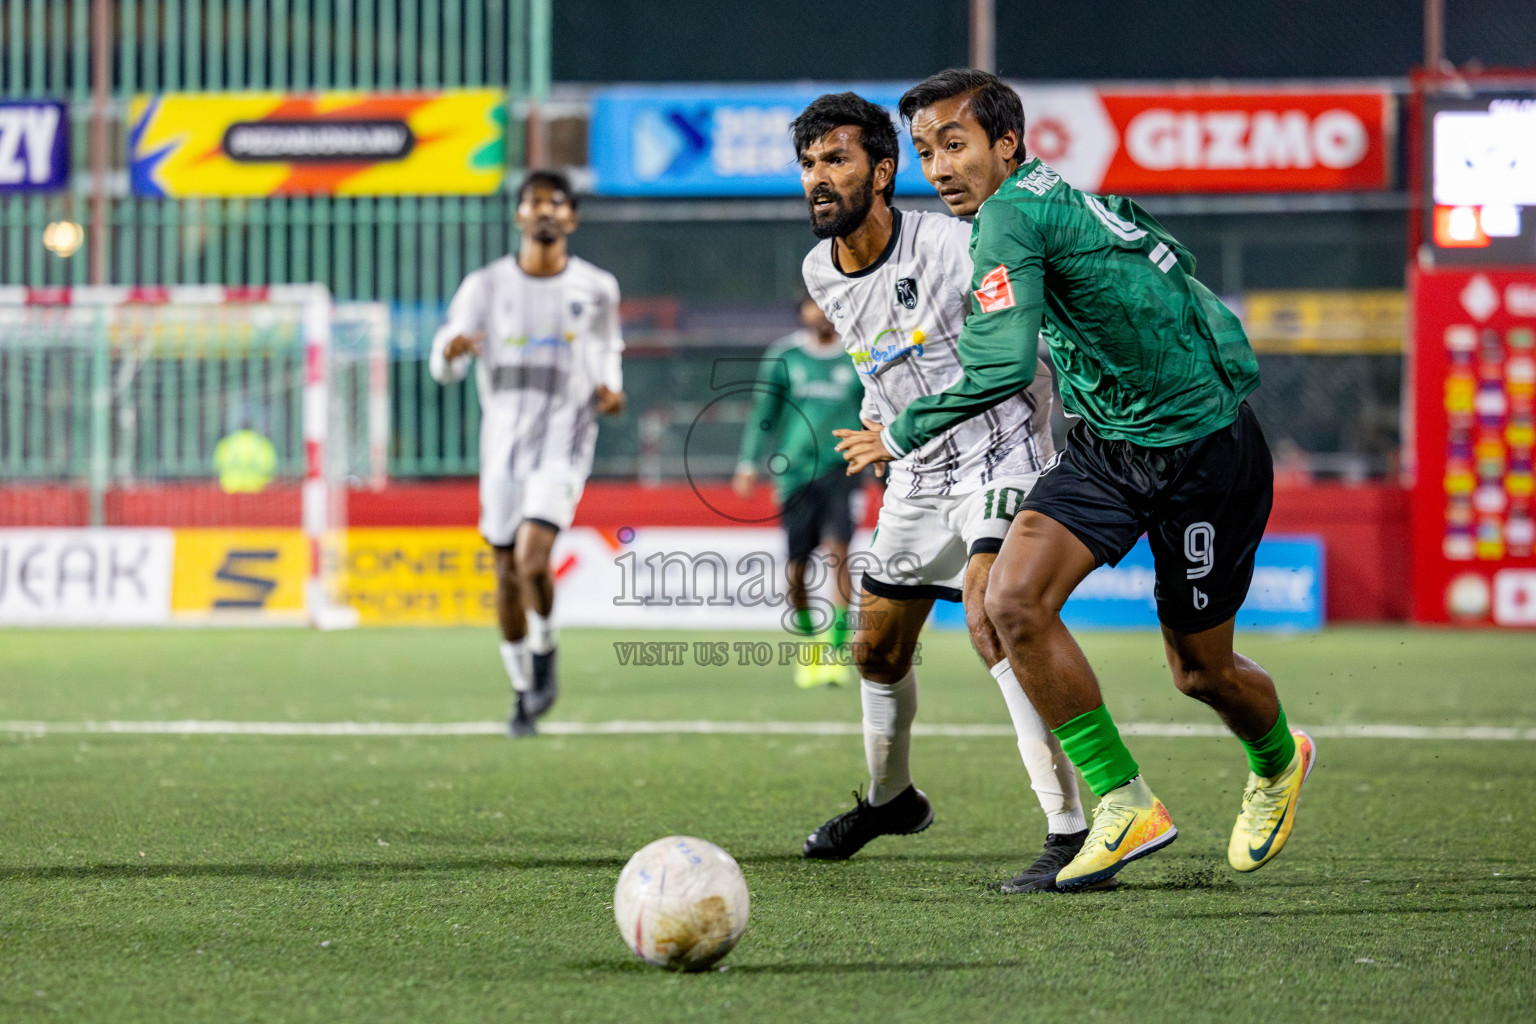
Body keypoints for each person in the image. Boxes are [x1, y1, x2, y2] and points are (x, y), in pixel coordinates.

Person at [836, 68, 1316, 891]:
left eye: (955, 144)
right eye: (924, 151)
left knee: (1201, 672)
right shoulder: (1044, 197)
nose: (940, 167)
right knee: (1011, 599)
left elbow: (999, 365)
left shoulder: (1010, 218)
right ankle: (1124, 803)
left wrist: (900, 432)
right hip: (1108, 442)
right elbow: (1168, 261)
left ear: (1007, 143)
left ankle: (1278, 758)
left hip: (1204, 451)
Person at [792, 91, 1092, 891]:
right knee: (875, 649)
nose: (818, 179)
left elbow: (1018, 339)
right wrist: (877, 418)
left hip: (1004, 454)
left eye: (837, 161)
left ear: (884, 171)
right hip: (916, 473)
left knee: (994, 615)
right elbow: (875, 355)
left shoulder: (957, 245)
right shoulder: (819, 270)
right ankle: (891, 800)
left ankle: (1072, 831)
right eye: (810, 164)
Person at [430, 170, 626, 738]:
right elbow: (443, 367)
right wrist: (451, 352)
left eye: (555, 203)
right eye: (533, 202)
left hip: (565, 441)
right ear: (518, 215)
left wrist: (611, 388)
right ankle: (521, 690)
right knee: (505, 572)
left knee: (532, 559)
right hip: (504, 448)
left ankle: (545, 650)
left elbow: (606, 348)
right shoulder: (485, 287)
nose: (544, 211)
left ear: (571, 218)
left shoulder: (596, 287)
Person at [732, 294, 866, 689]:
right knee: (796, 572)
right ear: (802, 311)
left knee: (839, 555)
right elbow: (763, 414)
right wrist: (746, 463)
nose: (820, 311)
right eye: (812, 304)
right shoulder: (785, 356)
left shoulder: (858, 357)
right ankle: (809, 645)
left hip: (843, 470)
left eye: (826, 304)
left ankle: (836, 653)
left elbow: (875, 409)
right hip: (793, 475)